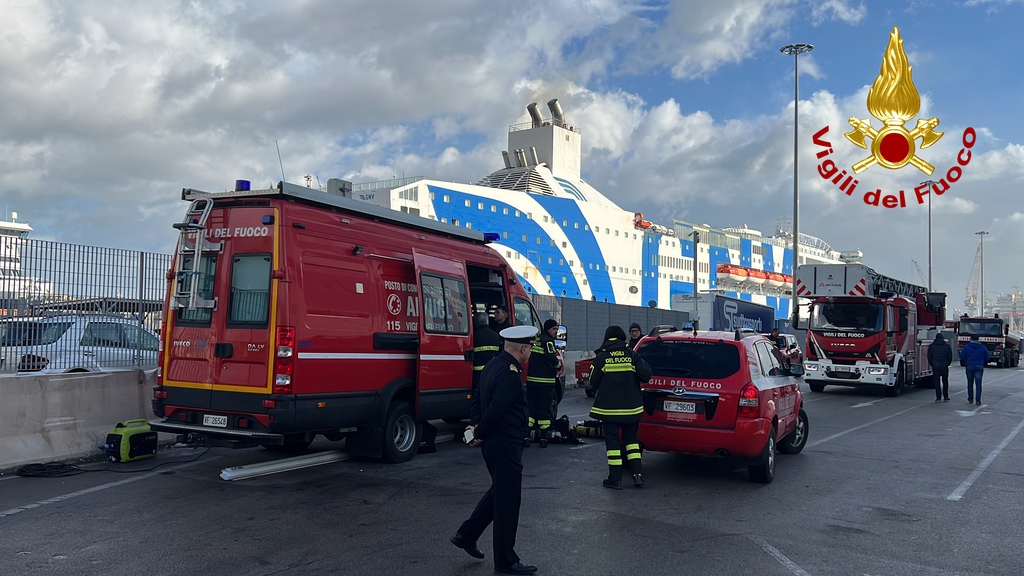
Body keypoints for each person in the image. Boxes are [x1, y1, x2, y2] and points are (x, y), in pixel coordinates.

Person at [450, 326, 538, 576]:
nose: (530, 352)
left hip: (494, 443)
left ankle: (466, 535)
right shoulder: (510, 373)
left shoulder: (492, 365)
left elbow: (477, 397)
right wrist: (479, 432)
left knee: (499, 492)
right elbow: (498, 409)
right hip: (505, 442)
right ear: (523, 348)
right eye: (530, 348)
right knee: (508, 501)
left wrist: (476, 426)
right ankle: (506, 561)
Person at [589, 325, 652, 489]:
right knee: (631, 440)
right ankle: (638, 476)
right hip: (632, 408)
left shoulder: (602, 356)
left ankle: (615, 479)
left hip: (609, 409)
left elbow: (593, 381)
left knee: (613, 442)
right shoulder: (632, 354)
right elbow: (646, 374)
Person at [525, 319, 562, 448]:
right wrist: (558, 365)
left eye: (557, 329)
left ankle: (526, 436)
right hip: (545, 381)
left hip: (532, 380)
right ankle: (544, 438)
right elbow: (550, 357)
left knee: (530, 407)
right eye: (554, 329)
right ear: (548, 329)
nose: (556, 332)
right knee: (544, 409)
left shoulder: (537, 339)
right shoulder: (548, 342)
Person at [471, 312, 501, 424]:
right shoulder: (495, 335)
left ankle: (477, 421)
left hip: (477, 374)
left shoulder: (474, 336)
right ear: (487, 322)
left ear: (475, 323)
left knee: (478, 399)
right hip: (492, 372)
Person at [959, 335, 989, 405]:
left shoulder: (966, 347)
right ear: (978, 339)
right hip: (979, 366)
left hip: (969, 366)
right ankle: (978, 400)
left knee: (970, 383)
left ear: (970, 339)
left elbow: (962, 357)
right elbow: (987, 358)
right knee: (978, 384)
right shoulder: (983, 347)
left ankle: (970, 399)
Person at [927, 333, 953, 402]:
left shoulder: (931, 346)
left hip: (935, 366)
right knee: (945, 381)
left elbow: (929, 357)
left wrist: (932, 364)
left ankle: (938, 397)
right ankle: (946, 396)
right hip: (944, 366)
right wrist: (947, 364)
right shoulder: (947, 346)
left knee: (936, 382)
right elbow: (950, 356)